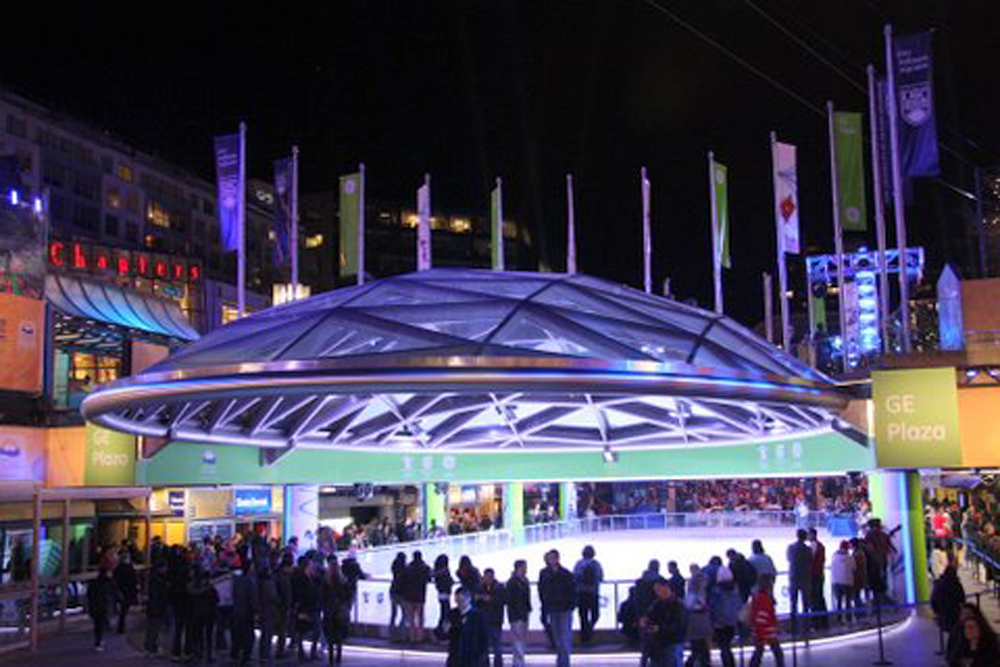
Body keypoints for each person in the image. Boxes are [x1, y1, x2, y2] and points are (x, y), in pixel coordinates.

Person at [538, 549, 575, 667]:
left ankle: (564, 663)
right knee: (558, 638)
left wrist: (570, 605)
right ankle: (561, 661)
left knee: (564, 637)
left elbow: (572, 591)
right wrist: (545, 607)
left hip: (564, 609)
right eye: (549, 558)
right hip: (552, 609)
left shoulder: (566, 574)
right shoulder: (544, 573)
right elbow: (542, 591)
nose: (551, 560)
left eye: (553, 558)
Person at [644, 577, 687, 667]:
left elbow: (679, 625)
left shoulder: (678, 605)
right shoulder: (656, 604)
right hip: (658, 644)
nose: (657, 592)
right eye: (655, 590)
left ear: (666, 587)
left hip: (673, 642)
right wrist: (646, 622)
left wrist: (660, 628)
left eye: (658, 589)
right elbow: (650, 617)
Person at [447, 586, 489, 667]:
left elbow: (484, 639)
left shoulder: (478, 616)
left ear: (468, 599)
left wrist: (481, 657)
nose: (459, 604)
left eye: (461, 600)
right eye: (457, 601)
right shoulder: (452, 614)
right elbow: (443, 634)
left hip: (473, 658)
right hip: (455, 657)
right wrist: (445, 630)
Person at [748, 575, 784, 667]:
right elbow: (769, 616)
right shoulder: (766, 600)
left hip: (760, 630)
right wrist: (776, 626)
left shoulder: (757, 598)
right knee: (777, 652)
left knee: (759, 651)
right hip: (768, 630)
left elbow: (755, 615)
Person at [709, 567, 741, 667]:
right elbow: (739, 605)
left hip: (720, 623)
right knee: (726, 646)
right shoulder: (735, 591)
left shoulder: (716, 592)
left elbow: (713, 608)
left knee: (724, 647)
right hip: (732, 621)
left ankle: (728, 664)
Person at [321, 558, 350, 665]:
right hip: (339, 611)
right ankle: (338, 656)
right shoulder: (343, 581)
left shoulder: (326, 581)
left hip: (329, 611)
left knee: (330, 634)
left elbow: (322, 596)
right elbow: (348, 596)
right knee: (339, 634)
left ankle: (331, 657)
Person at [573, 545, 604, 643]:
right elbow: (601, 577)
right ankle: (589, 631)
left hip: (581, 593)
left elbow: (574, 578)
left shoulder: (578, 564)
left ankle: (584, 637)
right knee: (595, 614)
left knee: (583, 616)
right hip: (593, 593)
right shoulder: (596, 564)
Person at [476, 568, 506, 667]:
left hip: (495, 621)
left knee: (497, 646)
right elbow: (475, 601)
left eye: (489, 577)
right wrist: (479, 598)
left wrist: (490, 599)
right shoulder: (480, 588)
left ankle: (498, 664)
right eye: (485, 577)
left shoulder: (499, 587)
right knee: (484, 646)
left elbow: (502, 601)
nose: (487, 579)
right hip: (483, 620)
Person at [232, 560, 259, 666]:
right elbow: (253, 598)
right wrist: (256, 610)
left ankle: (235, 653)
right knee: (248, 635)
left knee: (238, 632)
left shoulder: (237, 580)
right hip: (247, 611)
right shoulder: (251, 581)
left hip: (237, 609)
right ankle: (245, 656)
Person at [402, 550, 432, 643]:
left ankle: (412, 637)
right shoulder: (425, 568)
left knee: (411, 617)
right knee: (420, 617)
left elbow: (404, 579)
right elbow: (429, 579)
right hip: (420, 595)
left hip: (409, 595)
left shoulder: (408, 568)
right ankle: (420, 637)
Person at [932, 562, 966, 643]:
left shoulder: (938, 584)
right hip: (955, 615)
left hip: (943, 615)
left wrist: (937, 612)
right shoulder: (956, 584)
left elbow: (933, 601)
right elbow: (962, 598)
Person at [506, 560, 531, 667]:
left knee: (521, 638)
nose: (526, 569)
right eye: (524, 567)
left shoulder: (524, 581)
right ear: (519, 568)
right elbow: (510, 599)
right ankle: (518, 662)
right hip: (516, 614)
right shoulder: (512, 582)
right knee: (517, 639)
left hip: (523, 613)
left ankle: (519, 661)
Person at [684, 571, 711, 667]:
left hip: (696, 623)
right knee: (700, 647)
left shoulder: (693, 595)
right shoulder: (697, 595)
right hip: (698, 622)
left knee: (698, 647)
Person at [87, 567, 119, 651]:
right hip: (104, 606)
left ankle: (98, 641)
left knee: (97, 624)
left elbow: (89, 594)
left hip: (95, 606)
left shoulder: (94, 582)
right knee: (101, 623)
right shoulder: (109, 582)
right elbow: (115, 592)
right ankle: (99, 641)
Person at [144, 559, 169, 656]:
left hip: (152, 606)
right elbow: (159, 594)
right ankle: (152, 648)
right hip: (157, 607)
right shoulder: (158, 580)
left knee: (151, 628)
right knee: (154, 628)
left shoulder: (153, 578)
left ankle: (149, 647)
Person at [786, 529, 812, 619]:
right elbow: (810, 561)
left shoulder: (791, 548)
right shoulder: (808, 549)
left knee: (793, 602)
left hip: (793, 576)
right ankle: (806, 623)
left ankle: (793, 624)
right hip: (805, 577)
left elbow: (789, 559)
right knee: (805, 602)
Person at [807, 528, 828, 629]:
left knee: (814, 599)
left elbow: (810, 561)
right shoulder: (821, 546)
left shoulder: (813, 546)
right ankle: (823, 621)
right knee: (819, 598)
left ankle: (816, 622)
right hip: (819, 574)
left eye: (808, 535)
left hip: (814, 576)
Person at [830, 540, 856, 624]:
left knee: (839, 602)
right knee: (848, 602)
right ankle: (849, 619)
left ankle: (839, 619)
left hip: (836, 582)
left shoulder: (834, 556)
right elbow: (854, 568)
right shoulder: (849, 557)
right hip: (847, 582)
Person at [113, 550, 138, 633]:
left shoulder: (118, 567)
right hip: (127, 591)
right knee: (124, 610)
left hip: (122, 590)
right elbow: (133, 579)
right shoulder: (129, 567)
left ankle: (120, 626)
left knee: (122, 610)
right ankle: (121, 627)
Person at [434, 554, 455, 640]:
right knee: (446, 615)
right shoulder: (444, 571)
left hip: (441, 594)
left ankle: (442, 632)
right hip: (445, 595)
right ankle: (444, 633)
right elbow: (449, 581)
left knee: (444, 614)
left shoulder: (437, 571)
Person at [390, 552, 407, 640]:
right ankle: (401, 633)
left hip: (393, 591)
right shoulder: (405, 569)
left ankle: (392, 633)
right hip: (402, 593)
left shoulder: (394, 567)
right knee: (405, 614)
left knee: (393, 614)